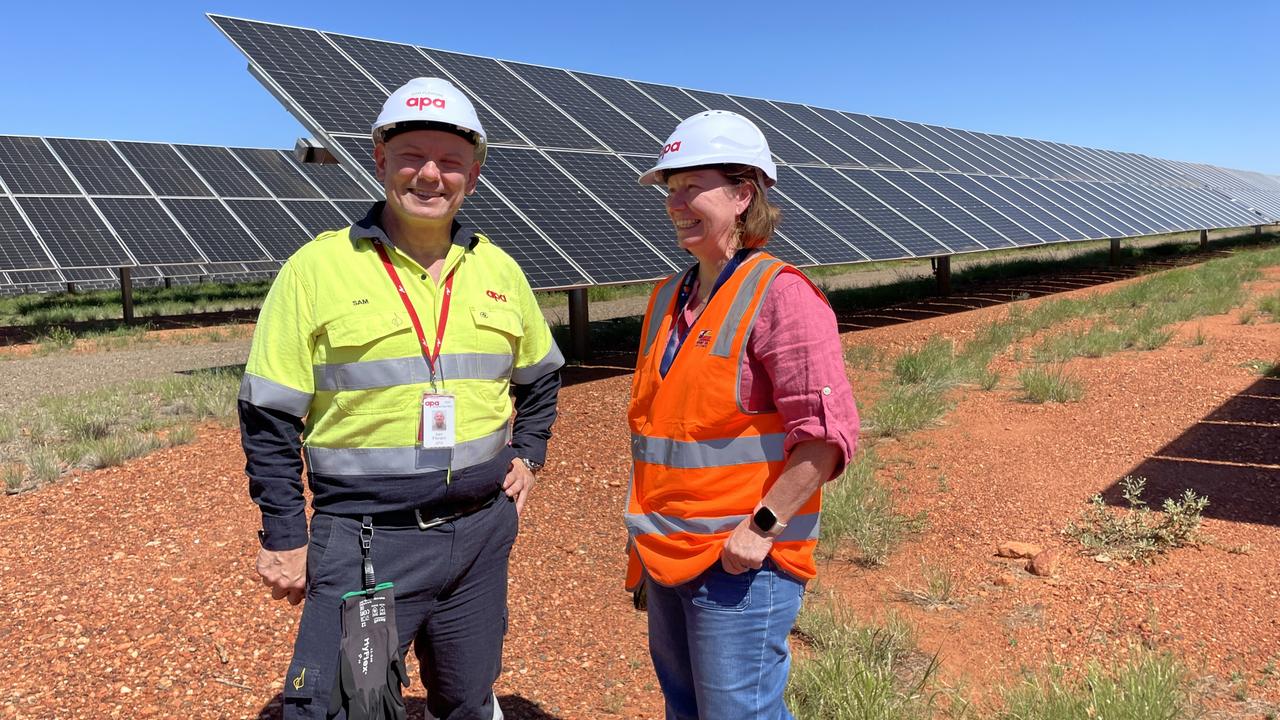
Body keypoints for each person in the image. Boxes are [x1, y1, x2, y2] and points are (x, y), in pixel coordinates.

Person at [239, 77, 562, 720]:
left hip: (478, 540)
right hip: (369, 549)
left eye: (450, 160)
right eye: (412, 154)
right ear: (380, 158)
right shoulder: (317, 269)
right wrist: (283, 532)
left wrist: (529, 453)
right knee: (353, 707)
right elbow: (268, 414)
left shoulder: (499, 270)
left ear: (475, 171)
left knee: (467, 700)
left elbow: (542, 376)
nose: (430, 174)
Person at [626, 111, 859, 719]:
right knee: (684, 708)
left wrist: (760, 527)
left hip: (742, 564)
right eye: (670, 188)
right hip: (665, 554)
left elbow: (827, 438)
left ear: (742, 194)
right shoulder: (664, 297)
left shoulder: (783, 296)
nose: (676, 202)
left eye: (691, 186)